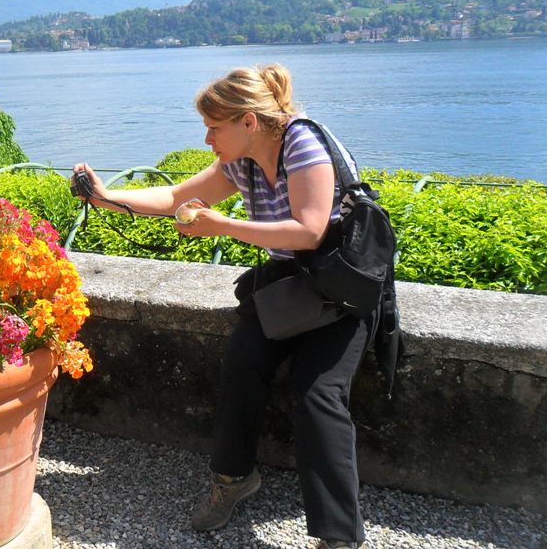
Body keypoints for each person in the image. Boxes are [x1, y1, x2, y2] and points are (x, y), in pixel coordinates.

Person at [70, 64, 369, 549]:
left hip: (341, 288)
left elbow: (310, 231)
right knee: (240, 364)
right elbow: (175, 196)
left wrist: (222, 226)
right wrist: (106, 198)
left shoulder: (302, 145)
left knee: (317, 395)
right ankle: (234, 480)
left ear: (248, 122)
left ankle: (339, 536)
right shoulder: (243, 160)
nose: (207, 138)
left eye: (214, 127)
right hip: (290, 285)